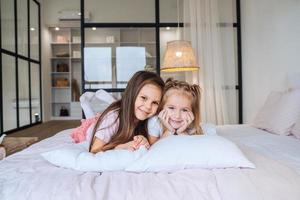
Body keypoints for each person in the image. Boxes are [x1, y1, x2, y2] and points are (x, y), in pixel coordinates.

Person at [89, 71, 165, 153]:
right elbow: (94, 151)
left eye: (155, 102)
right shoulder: (113, 117)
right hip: (94, 127)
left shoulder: (151, 120)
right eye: (143, 98)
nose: (148, 106)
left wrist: (143, 141)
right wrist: (121, 147)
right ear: (132, 94)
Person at [147, 78, 203, 145]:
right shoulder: (155, 122)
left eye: (184, 110)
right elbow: (154, 148)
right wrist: (170, 131)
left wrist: (181, 131)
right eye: (171, 108)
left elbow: (191, 148)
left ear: (192, 112)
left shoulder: (191, 125)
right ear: (161, 107)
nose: (177, 116)